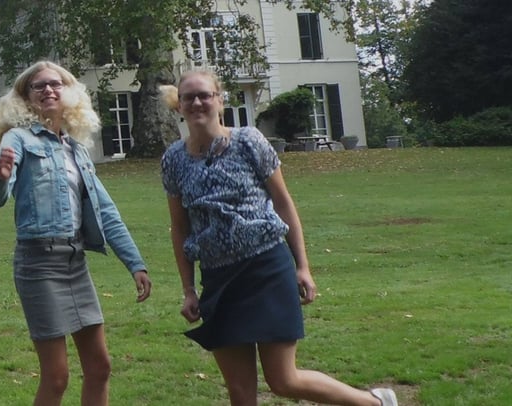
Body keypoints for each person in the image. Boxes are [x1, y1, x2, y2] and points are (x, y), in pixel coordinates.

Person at [160, 69, 398, 406]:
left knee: (284, 380)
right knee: (240, 392)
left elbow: (284, 203)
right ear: (179, 106)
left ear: (220, 101)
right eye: (189, 97)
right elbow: (180, 227)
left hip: (266, 268)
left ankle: (375, 403)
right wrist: (188, 289)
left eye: (205, 95)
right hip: (218, 278)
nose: (197, 103)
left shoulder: (248, 141)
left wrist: (303, 266)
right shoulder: (173, 159)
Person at [0, 61, 152, 406]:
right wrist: (0, 176)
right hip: (38, 264)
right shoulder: (18, 139)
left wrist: (135, 263)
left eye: (55, 84)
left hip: (75, 262)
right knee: (57, 377)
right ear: (26, 97)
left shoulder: (75, 149)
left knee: (100, 367)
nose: (48, 90)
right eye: (39, 86)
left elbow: (105, 211)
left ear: (68, 92)